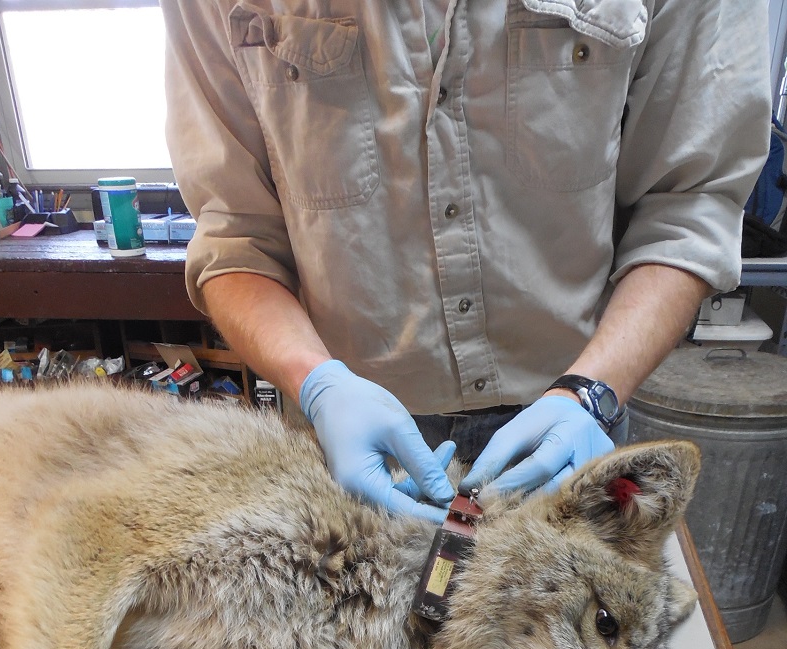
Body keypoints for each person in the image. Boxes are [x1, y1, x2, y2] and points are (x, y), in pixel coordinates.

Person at [162, 0, 771, 522]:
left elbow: (690, 204)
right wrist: (318, 385)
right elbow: (236, 235)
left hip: (573, 420)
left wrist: (591, 394)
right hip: (350, 443)